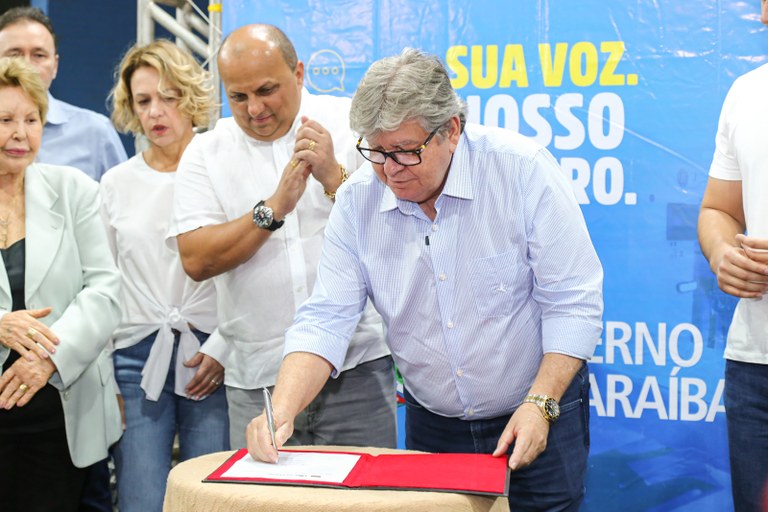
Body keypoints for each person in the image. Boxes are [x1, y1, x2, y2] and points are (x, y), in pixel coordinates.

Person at [246, 48, 604, 512]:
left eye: (405, 151)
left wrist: (541, 402)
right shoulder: (358, 201)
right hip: (433, 424)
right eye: (376, 151)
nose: (390, 170)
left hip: (538, 408)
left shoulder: (522, 172)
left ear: (451, 130)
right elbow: (327, 317)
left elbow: (573, 302)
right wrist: (283, 411)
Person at [170, 24, 396, 450]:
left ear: (299, 73)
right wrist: (271, 210)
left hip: (356, 367)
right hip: (257, 378)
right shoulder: (205, 152)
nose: (254, 108)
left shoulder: (352, 126)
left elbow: (396, 231)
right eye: (238, 96)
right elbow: (196, 260)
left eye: (266, 89)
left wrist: (335, 179)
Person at [0, 8, 128, 510]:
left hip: (63, 412)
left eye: (31, 120)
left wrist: (49, 356)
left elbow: (104, 290)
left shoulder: (72, 189)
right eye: (6, 120)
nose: (20, 132)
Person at [101, 40, 229, 512]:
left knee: (210, 499)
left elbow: (245, 271)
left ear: (191, 97)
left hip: (212, 355)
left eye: (168, 96)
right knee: (138, 499)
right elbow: (104, 283)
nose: (157, 111)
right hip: (135, 357)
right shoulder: (116, 183)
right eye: (143, 100)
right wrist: (107, 377)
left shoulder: (222, 171)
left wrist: (223, 346)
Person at [697, 3, 768, 510]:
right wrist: (723, 252)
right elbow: (718, 209)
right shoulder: (747, 94)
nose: (762, 13)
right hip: (755, 369)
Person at [0, 7, 127, 181]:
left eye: (39, 55)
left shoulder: (96, 133)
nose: (27, 65)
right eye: (15, 54)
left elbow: (121, 202)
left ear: (55, 66)